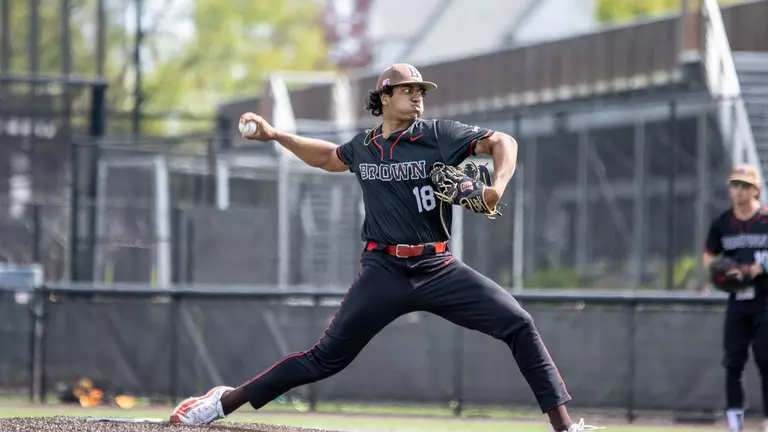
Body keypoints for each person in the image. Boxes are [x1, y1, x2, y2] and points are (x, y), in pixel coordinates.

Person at [169, 63, 600, 432]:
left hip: (438, 267)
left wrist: (497, 186)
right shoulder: (365, 147)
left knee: (519, 324)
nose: (417, 98)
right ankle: (224, 401)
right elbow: (326, 157)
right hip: (384, 271)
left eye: (421, 92)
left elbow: (504, 141)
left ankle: (565, 428)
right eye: (408, 91)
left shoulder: (439, 135)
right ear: (385, 97)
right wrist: (277, 134)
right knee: (324, 359)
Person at [704, 164, 768, 432]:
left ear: (756, 189)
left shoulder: (765, 219)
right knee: (733, 364)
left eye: (744, 185)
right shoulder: (723, 223)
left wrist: (757, 269)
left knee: (766, 360)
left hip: (765, 300)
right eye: (734, 185)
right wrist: (722, 273)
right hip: (737, 302)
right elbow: (709, 256)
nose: (738, 190)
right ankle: (734, 424)